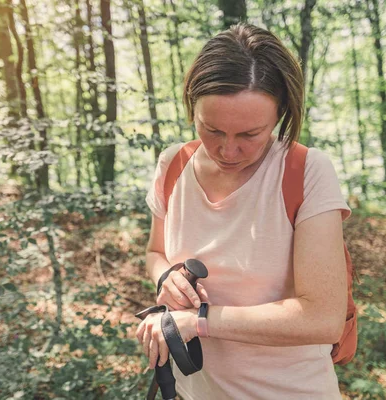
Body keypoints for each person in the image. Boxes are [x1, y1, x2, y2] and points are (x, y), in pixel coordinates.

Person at [136, 23, 351, 399]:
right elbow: (155, 253)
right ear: (191, 105)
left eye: (250, 134)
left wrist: (199, 321)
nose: (227, 150)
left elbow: (322, 318)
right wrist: (165, 277)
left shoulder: (305, 172)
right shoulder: (173, 165)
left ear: (281, 113)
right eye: (212, 129)